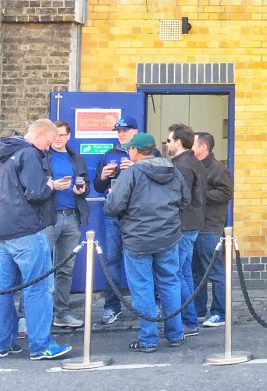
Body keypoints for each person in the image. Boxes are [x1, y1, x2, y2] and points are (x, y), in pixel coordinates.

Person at [104, 132, 190, 352]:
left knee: (142, 287)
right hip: (169, 237)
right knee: (170, 283)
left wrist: (112, 196)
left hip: (138, 240)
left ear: (134, 150)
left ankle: (148, 339)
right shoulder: (174, 171)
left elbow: (113, 208)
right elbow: (185, 201)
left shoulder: (131, 173)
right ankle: (176, 335)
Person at [0, 119, 72, 360]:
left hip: (3, 231)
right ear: (40, 135)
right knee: (38, 288)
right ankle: (41, 346)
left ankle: (3, 343)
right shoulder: (29, 153)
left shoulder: (4, 151)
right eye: (48, 142)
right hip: (26, 230)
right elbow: (35, 192)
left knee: (4, 291)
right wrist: (50, 185)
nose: (48, 148)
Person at [92, 115, 138, 325]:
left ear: (135, 131)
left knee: (140, 260)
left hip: (137, 216)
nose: (121, 134)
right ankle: (112, 307)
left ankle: (145, 305)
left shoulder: (147, 153)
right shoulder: (109, 154)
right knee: (111, 261)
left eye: (125, 130)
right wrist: (103, 177)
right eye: (118, 131)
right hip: (112, 215)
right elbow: (98, 187)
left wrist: (136, 168)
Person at [44, 120, 90, 329]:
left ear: (69, 136)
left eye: (62, 135)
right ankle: (28, 317)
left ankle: (61, 314)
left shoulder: (76, 158)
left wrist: (83, 190)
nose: (58, 138)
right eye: (55, 134)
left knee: (65, 269)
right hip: (48, 218)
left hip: (72, 217)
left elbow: (86, 183)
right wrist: (52, 186)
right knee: (40, 268)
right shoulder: (42, 157)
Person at [166, 124, 207, 337]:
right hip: (192, 224)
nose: (167, 144)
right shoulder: (193, 162)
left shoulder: (183, 166)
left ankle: (189, 321)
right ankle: (190, 319)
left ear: (178, 142)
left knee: (177, 273)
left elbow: (182, 198)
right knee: (185, 273)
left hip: (184, 224)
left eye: (169, 140)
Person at [191, 131, 232, 329]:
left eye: (193, 144)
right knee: (196, 272)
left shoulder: (218, 168)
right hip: (195, 226)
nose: (190, 146)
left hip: (211, 227)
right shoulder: (195, 167)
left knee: (215, 271)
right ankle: (199, 311)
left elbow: (226, 193)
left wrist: (200, 194)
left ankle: (219, 312)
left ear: (203, 147)